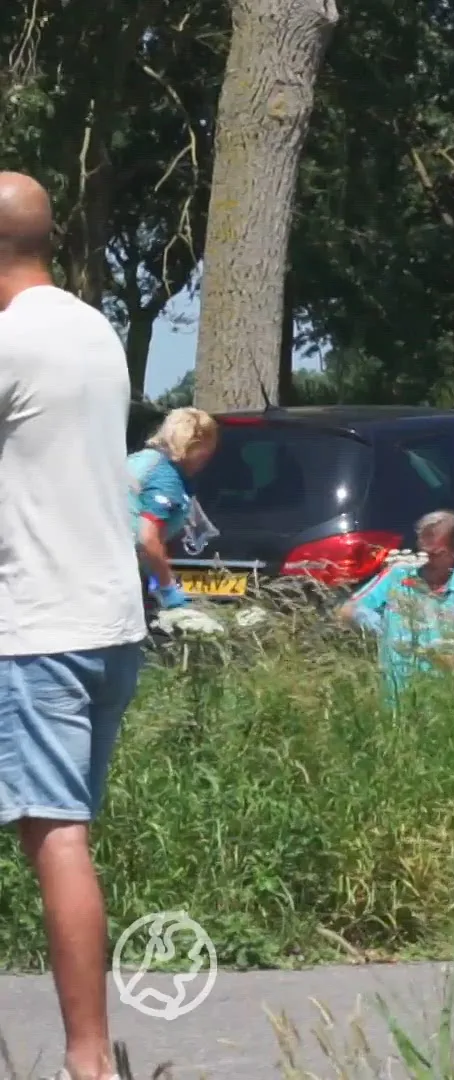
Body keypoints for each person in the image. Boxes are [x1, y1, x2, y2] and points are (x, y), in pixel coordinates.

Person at [0, 172, 148, 1080]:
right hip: (107, 623)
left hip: (36, 626)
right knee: (55, 828)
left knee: (57, 836)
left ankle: (88, 1061)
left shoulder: (10, 340)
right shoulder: (94, 329)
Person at [336, 510, 454, 703]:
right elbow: (346, 611)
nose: (428, 560)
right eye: (424, 552)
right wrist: (379, 626)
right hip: (394, 703)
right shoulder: (397, 576)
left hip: (447, 706)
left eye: (436, 554)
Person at [128, 407, 220, 612]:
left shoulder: (140, 460)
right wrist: (167, 587)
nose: (207, 460)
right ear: (195, 444)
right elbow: (148, 538)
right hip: (116, 576)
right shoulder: (165, 476)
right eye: (206, 452)